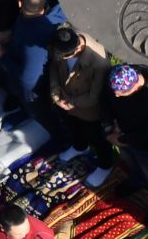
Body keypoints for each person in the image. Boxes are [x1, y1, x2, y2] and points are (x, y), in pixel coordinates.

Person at [44, 23, 111, 178]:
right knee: (74, 127)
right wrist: (56, 94)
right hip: (66, 101)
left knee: (97, 138)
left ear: (78, 49)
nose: (59, 58)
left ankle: (105, 165)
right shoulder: (61, 41)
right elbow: (54, 67)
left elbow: (94, 96)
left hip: (89, 110)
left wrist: (70, 103)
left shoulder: (99, 63)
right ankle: (80, 146)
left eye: (63, 57)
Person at [0, 0, 66, 121]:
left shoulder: (34, 41)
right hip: (27, 73)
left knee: (38, 112)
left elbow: (27, 81)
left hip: (35, 91)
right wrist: (9, 34)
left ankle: (29, 115)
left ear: (20, 3)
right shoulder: (35, 14)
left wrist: (2, 57)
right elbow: (23, 25)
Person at [106, 64, 148, 189]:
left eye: (121, 93)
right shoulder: (119, 76)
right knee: (131, 163)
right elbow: (106, 101)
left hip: (143, 145)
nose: (116, 95)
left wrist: (121, 140)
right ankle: (138, 180)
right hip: (122, 134)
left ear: (135, 87)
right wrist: (109, 128)